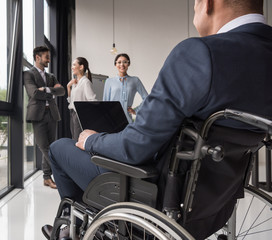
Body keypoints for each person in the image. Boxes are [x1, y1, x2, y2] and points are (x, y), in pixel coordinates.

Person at [43, 0, 272, 238]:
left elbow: (134, 147)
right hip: (215, 206)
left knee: (60, 147)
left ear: (208, 3)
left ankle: (76, 229)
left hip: (157, 196)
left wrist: (92, 140)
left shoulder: (200, 52)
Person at [24, 46, 65, 189]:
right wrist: (52, 92)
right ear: (37, 57)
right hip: (38, 115)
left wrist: (47, 90)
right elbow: (34, 93)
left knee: (51, 146)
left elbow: (62, 91)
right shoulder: (28, 74)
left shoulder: (51, 77)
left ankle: (47, 178)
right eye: (46, 57)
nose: (49, 59)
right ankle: (62, 172)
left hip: (52, 114)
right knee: (44, 147)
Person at [103, 53, 148, 123]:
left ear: (128, 64)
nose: (122, 65)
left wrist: (136, 110)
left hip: (128, 121)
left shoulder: (135, 80)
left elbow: (147, 98)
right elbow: (105, 102)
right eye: (119, 62)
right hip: (112, 120)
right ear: (115, 64)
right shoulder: (109, 81)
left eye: (125, 62)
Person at [67, 57, 97, 141]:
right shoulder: (75, 82)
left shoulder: (85, 82)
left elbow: (92, 100)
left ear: (81, 67)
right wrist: (68, 87)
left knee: (78, 140)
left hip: (79, 114)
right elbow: (71, 102)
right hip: (72, 113)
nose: (72, 67)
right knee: (74, 139)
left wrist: (85, 113)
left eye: (74, 65)